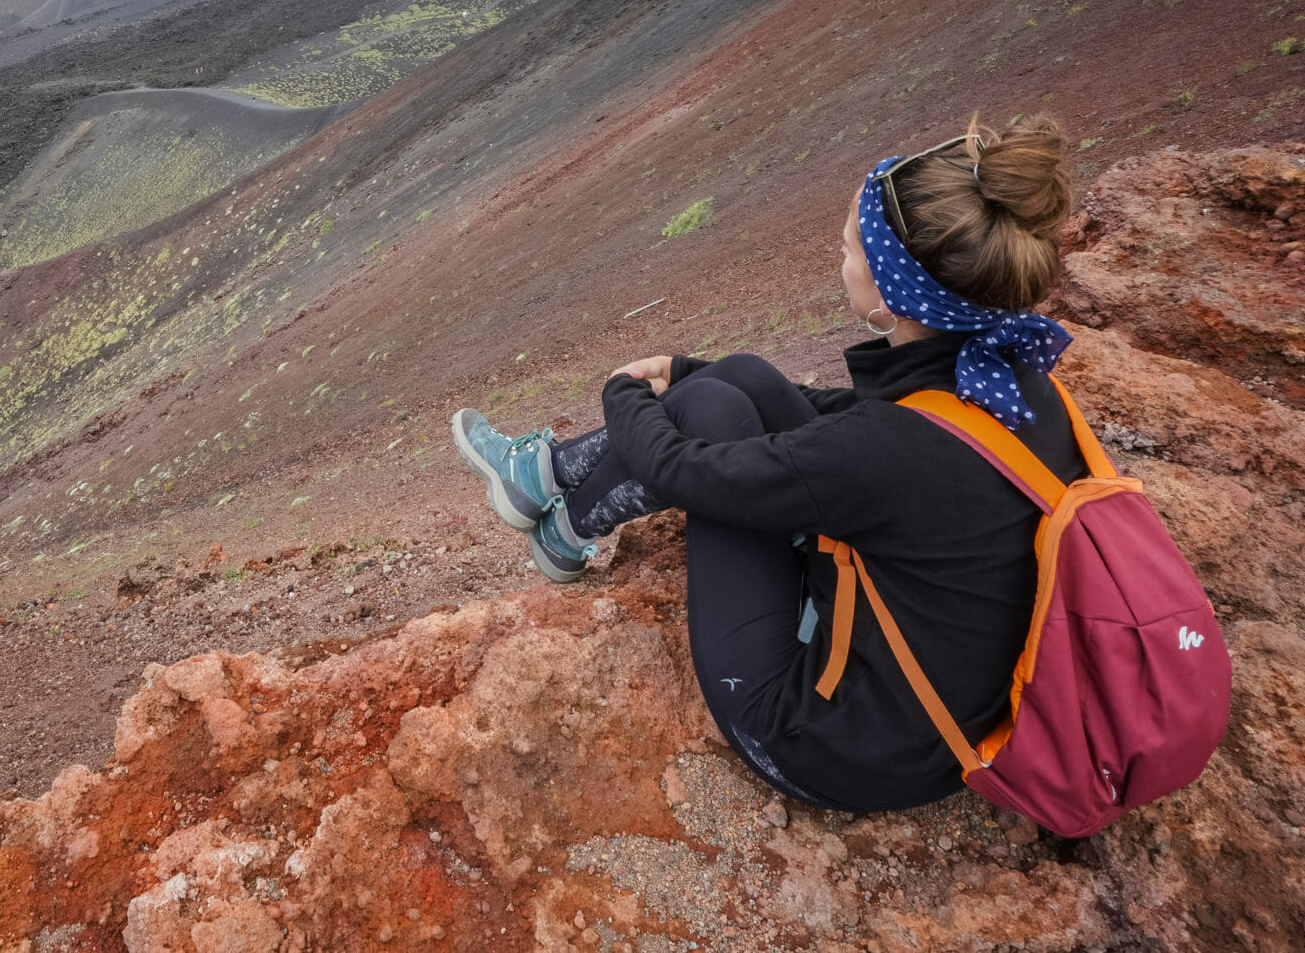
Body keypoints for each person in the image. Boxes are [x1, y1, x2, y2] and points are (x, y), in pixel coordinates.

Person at [451, 114, 1079, 813]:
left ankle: (551, 500)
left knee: (707, 415)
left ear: (891, 293)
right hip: (926, 711)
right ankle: (552, 506)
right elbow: (851, 417)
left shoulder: (884, 451)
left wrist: (621, 387)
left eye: (849, 247)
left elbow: (681, 471)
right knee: (737, 378)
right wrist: (691, 367)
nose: (838, 257)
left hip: (833, 744)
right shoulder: (1018, 385)